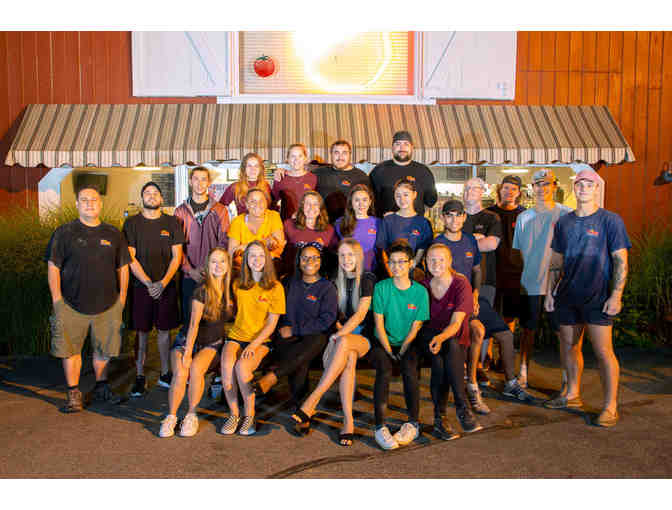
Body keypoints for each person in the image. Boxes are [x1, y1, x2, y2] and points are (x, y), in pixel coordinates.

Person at [544, 169, 631, 428]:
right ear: (574, 188)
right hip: (567, 295)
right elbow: (556, 261)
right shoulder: (564, 223)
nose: (583, 188)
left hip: (598, 297)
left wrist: (616, 295)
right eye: (579, 184)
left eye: (588, 184)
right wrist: (550, 292)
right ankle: (572, 395)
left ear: (596, 189)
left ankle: (610, 407)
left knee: (604, 352)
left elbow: (621, 260)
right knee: (569, 347)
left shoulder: (610, 221)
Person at [435, 200, 533, 415]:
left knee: (506, 336)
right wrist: (464, 299)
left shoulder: (470, 240)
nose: (454, 219)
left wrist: (476, 294)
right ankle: (472, 386)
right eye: (449, 215)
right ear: (442, 217)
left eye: (458, 215)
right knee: (477, 331)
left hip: (473, 298)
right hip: (452, 303)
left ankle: (510, 383)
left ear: (464, 217)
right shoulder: (438, 244)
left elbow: (477, 270)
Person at [46, 185, 130, 412]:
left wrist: (122, 299)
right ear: (77, 204)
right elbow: (53, 267)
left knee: (103, 350)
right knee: (71, 350)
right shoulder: (64, 233)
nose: (89, 203)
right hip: (70, 305)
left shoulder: (113, 233)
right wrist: (57, 300)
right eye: (84, 200)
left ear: (100, 203)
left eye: (93, 199)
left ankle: (102, 387)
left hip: (108, 305)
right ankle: (74, 393)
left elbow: (123, 267)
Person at [287, 239, 374, 446]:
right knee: (348, 359)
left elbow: (360, 315)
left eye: (350, 255)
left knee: (344, 343)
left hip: (364, 337)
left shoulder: (367, 278)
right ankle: (348, 421)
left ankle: (312, 401)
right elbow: (332, 314)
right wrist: (338, 330)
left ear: (358, 256)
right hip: (343, 337)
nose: (346, 259)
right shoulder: (335, 280)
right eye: (342, 255)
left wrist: (339, 334)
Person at [158, 248, 234, 438]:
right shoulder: (201, 290)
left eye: (222, 261)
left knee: (196, 369)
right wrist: (188, 352)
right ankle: (171, 416)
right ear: (207, 266)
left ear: (228, 265)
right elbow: (193, 324)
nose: (218, 265)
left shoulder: (231, 290)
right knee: (181, 371)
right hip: (188, 340)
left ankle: (191, 415)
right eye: (214, 262)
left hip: (212, 343)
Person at [252, 244, 338, 409]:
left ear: (320, 261)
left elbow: (326, 320)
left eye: (314, 258)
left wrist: (295, 329)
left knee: (316, 341)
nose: (309, 261)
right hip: (286, 336)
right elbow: (275, 309)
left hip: (312, 338)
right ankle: (302, 409)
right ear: (298, 261)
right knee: (300, 358)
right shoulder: (287, 283)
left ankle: (273, 377)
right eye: (305, 257)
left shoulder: (327, 288)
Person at [122, 181, 184, 397]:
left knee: (165, 332)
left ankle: (165, 373)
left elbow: (177, 257)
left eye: (155, 192)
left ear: (161, 198)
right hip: (141, 287)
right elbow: (130, 257)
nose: (151, 195)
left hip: (166, 286)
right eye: (147, 193)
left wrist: (163, 283)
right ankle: (140, 377)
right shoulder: (132, 224)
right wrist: (149, 283)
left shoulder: (172, 222)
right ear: (142, 198)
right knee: (141, 333)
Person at [513, 169, 572, 389]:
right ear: (532, 188)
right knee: (528, 330)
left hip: (558, 285)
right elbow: (519, 252)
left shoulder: (567, 214)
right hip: (530, 283)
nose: (542, 188)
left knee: (562, 332)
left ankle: (567, 377)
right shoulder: (523, 217)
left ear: (554, 186)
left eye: (546, 184)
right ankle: (523, 372)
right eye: (538, 184)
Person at [220, 241, 286, 436]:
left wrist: (254, 344)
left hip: (261, 340)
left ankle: (249, 415)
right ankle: (234, 414)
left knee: (242, 368)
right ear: (246, 260)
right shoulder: (238, 284)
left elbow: (272, 324)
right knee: (227, 367)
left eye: (260, 255)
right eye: (252, 256)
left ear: (267, 259)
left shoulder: (275, 287)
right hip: (236, 335)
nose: (257, 260)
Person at [369, 240, 429, 450]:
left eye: (401, 262)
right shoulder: (381, 287)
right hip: (383, 341)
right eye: (392, 262)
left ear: (411, 263)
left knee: (410, 370)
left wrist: (401, 352)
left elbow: (415, 328)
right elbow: (378, 324)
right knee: (384, 370)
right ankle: (380, 426)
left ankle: (413, 423)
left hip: (407, 342)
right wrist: (389, 351)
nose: (396, 266)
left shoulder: (420, 292)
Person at [418, 243, 482, 438]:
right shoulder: (423, 286)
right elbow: (419, 320)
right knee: (440, 362)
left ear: (450, 261)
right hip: (430, 335)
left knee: (449, 347)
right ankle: (458, 411)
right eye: (432, 260)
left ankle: (446, 415)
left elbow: (456, 323)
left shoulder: (461, 284)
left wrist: (441, 337)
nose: (436, 264)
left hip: (454, 336)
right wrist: (437, 338)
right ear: (425, 262)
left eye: (441, 259)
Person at [174, 166, 230, 366]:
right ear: (190, 182)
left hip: (213, 276)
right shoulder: (180, 211)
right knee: (190, 320)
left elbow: (224, 242)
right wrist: (189, 269)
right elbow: (176, 246)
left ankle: (213, 367)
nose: (199, 183)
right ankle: (188, 360)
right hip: (189, 275)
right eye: (196, 179)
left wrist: (211, 269)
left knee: (214, 321)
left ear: (209, 183)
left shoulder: (220, 210)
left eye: (203, 179)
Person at [462, 177, 502, 387]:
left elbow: (492, 244)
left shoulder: (491, 217)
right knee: (463, 322)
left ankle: (478, 366)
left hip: (486, 278)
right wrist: (476, 239)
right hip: (461, 279)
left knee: (482, 323)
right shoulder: (458, 216)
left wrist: (465, 243)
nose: (469, 192)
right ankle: (463, 366)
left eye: (474, 188)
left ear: (482, 191)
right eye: (466, 188)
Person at [488, 175, 526, 332]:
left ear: (519, 192)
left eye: (514, 189)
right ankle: (490, 347)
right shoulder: (488, 214)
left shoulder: (525, 215)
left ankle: (506, 345)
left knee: (510, 315)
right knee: (490, 312)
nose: (509, 191)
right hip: (492, 271)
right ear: (500, 189)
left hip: (515, 272)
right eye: (506, 188)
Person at [369, 130, 437, 217]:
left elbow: (430, 202)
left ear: (412, 147)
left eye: (406, 144)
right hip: (385, 223)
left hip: (415, 224)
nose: (402, 148)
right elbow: (369, 200)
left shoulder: (424, 171)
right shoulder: (379, 171)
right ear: (392, 148)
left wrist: (416, 216)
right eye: (398, 144)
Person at [375, 178, 433, 280]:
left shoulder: (423, 223)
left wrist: (414, 263)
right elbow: (383, 249)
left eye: (406, 195)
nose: (402, 199)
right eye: (398, 195)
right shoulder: (388, 220)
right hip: (392, 273)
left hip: (415, 274)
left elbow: (423, 247)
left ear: (414, 195)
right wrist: (391, 271)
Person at [227, 187, 286, 273]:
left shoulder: (273, 216)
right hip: (244, 268)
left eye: (261, 201)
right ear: (247, 205)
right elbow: (232, 253)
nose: (257, 204)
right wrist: (264, 243)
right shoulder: (237, 221)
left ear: (266, 203)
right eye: (252, 201)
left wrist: (243, 247)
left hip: (268, 267)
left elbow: (278, 247)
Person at [282, 191, 338, 277]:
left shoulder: (329, 230)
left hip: (319, 277)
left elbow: (334, 255)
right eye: (308, 204)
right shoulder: (288, 224)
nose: (311, 207)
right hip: (293, 275)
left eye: (315, 204)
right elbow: (282, 250)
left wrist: (323, 249)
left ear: (320, 208)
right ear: (302, 207)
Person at [312, 140, 370, 223]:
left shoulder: (361, 177)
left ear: (350, 155)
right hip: (322, 224)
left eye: (344, 153)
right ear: (331, 154)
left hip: (350, 225)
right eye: (336, 153)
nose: (340, 157)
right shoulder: (318, 173)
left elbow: (368, 205)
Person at [335, 184, 381, 273]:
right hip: (347, 272)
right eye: (357, 200)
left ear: (370, 202)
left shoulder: (378, 223)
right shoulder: (340, 223)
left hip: (370, 272)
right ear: (351, 203)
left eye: (364, 200)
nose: (361, 204)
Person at [272, 143, 318, 221]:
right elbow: (274, 203)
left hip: (307, 222)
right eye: (293, 156)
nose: (296, 160)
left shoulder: (313, 178)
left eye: (300, 156)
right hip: (286, 222)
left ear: (305, 158)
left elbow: (317, 203)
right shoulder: (280, 177)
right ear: (287, 159)